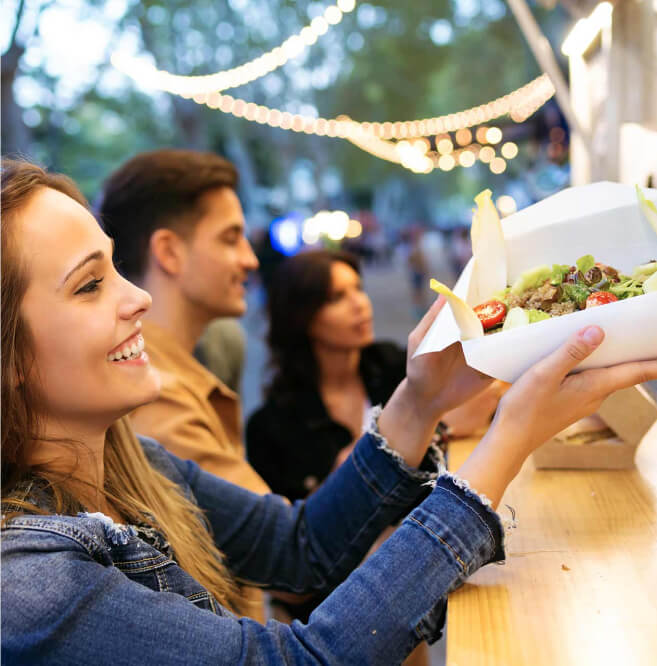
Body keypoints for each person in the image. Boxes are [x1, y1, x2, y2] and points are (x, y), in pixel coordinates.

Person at [4, 159, 656, 665]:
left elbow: (303, 546)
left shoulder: (134, 462)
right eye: (90, 285)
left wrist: (421, 398)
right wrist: (505, 441)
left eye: (117, 268)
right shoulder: (28, 583)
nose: (137, 297)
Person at [98, 149, 269, 619]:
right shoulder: (154, 394)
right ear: (169, 251)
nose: (250, 259)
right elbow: (291, 548)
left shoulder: (190, 364)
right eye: (231, 238)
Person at [247, 249, 503, 503]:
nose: (359, 303)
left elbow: (475, 401)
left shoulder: (394, 365)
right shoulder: (271, 427)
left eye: (357, 288)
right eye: (336, 297)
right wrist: (435, 427)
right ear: (301, 317)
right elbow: (292, 530)